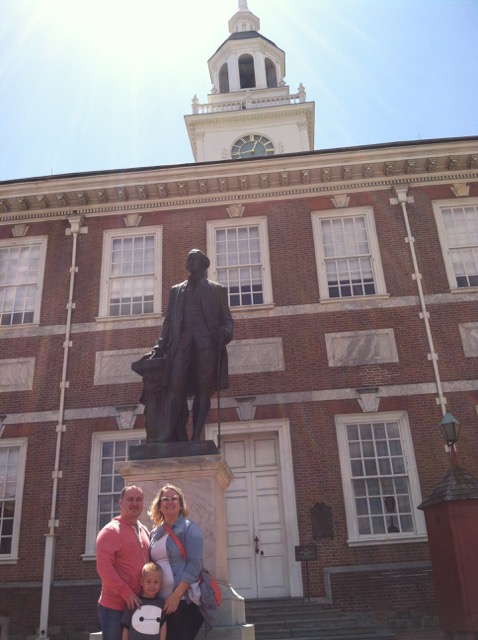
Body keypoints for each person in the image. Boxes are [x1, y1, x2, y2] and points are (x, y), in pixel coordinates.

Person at [150, 248, 234, 442]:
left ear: (204, 264)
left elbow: (227, 320)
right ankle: (169, 431)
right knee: (174, 385)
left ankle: (196, 436)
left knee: (204, 388)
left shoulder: (217, 289)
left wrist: (228, 331)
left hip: (207, 343)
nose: (190, 262)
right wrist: (160, 345)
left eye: (194, 259)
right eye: (188, 260)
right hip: (182, 342)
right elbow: (169, 321)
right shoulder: (176, 290)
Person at [149, 484, 205, 640]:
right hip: (160, 601)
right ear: (159, 506)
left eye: (174, 498)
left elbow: (195, 564)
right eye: (165, 499)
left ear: (180, 504)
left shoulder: (190, 528)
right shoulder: (154, 533)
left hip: (183, 601)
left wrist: (176, 595)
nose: (170, 502)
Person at [96, 485, 150, 640]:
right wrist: (127, 594)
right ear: (121, 503)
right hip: (115, 607)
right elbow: (104, 569)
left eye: (138, 499)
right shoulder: (110, 531)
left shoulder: (144, 531)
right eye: (130, 499)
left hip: (139, 606)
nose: (134, 503)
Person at [121, 562, 167, 640]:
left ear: (161, 583)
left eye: (156, 582)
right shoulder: (134, 602)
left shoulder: (161, 603)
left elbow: (163, 626)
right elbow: (126, 627)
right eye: (148, 581)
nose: (152, 586)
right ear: (142, 581)